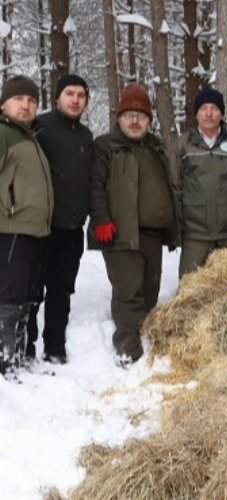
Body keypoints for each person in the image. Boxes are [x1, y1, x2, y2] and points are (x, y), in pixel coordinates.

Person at [89, 82, 178, 364]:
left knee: (150, 290)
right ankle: (128, 348)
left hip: (152, 234)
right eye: (129, 115)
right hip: (120, 233)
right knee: (129, 292)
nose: (135, 121)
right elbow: (95, 186)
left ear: (150, 121)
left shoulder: (155, 148)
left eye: (141, 116)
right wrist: (101, 219)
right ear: (119, 118)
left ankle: (145, 337)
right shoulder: (106, 146)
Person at [26, 75, 93, 365]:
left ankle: (55, 346)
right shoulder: (39, 127)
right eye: (70, 93)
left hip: (73, 228)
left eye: (81, 95)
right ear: (57, 97)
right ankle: (26, 346)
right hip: (41, 227)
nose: (75, 99)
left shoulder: (86, 136)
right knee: (32, 290)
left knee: (61, 290)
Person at [0, 76, 53, 375]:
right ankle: (5, 363)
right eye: (19, 99)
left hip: (34, 233)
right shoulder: (4, 134)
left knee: (27, 299)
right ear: (4, 104)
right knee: (9, 299)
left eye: (32, 100)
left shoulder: (30, 138)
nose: (26, 105)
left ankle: (18, 356)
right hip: (11, 232)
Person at [174, 87, 227, 278]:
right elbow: (175, 186)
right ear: (196, 114)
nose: (209, 113)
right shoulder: (183, 144)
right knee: (191, 291)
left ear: (222, 113)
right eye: (204, 108)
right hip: (195, 234)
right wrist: (176, 227)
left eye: (214, 108)